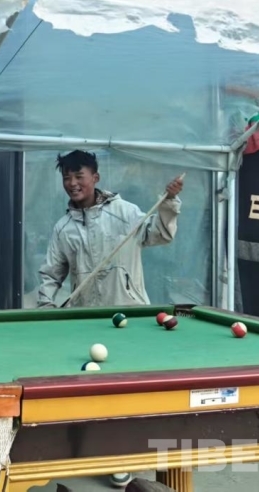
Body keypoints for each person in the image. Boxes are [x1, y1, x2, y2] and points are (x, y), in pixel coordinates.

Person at [36, 150, 182, 490]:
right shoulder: (63, 228)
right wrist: (45, 308)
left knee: (129, 393)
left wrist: (168, 202)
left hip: (130, 316)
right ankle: (91, 451)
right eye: (67, 178)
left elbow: (161, 234)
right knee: (88, 390)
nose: (72, 183)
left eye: (79, 176)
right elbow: (51, 275)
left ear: (95, 178)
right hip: (85, 320)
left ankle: (122, 457)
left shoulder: (125, 212)